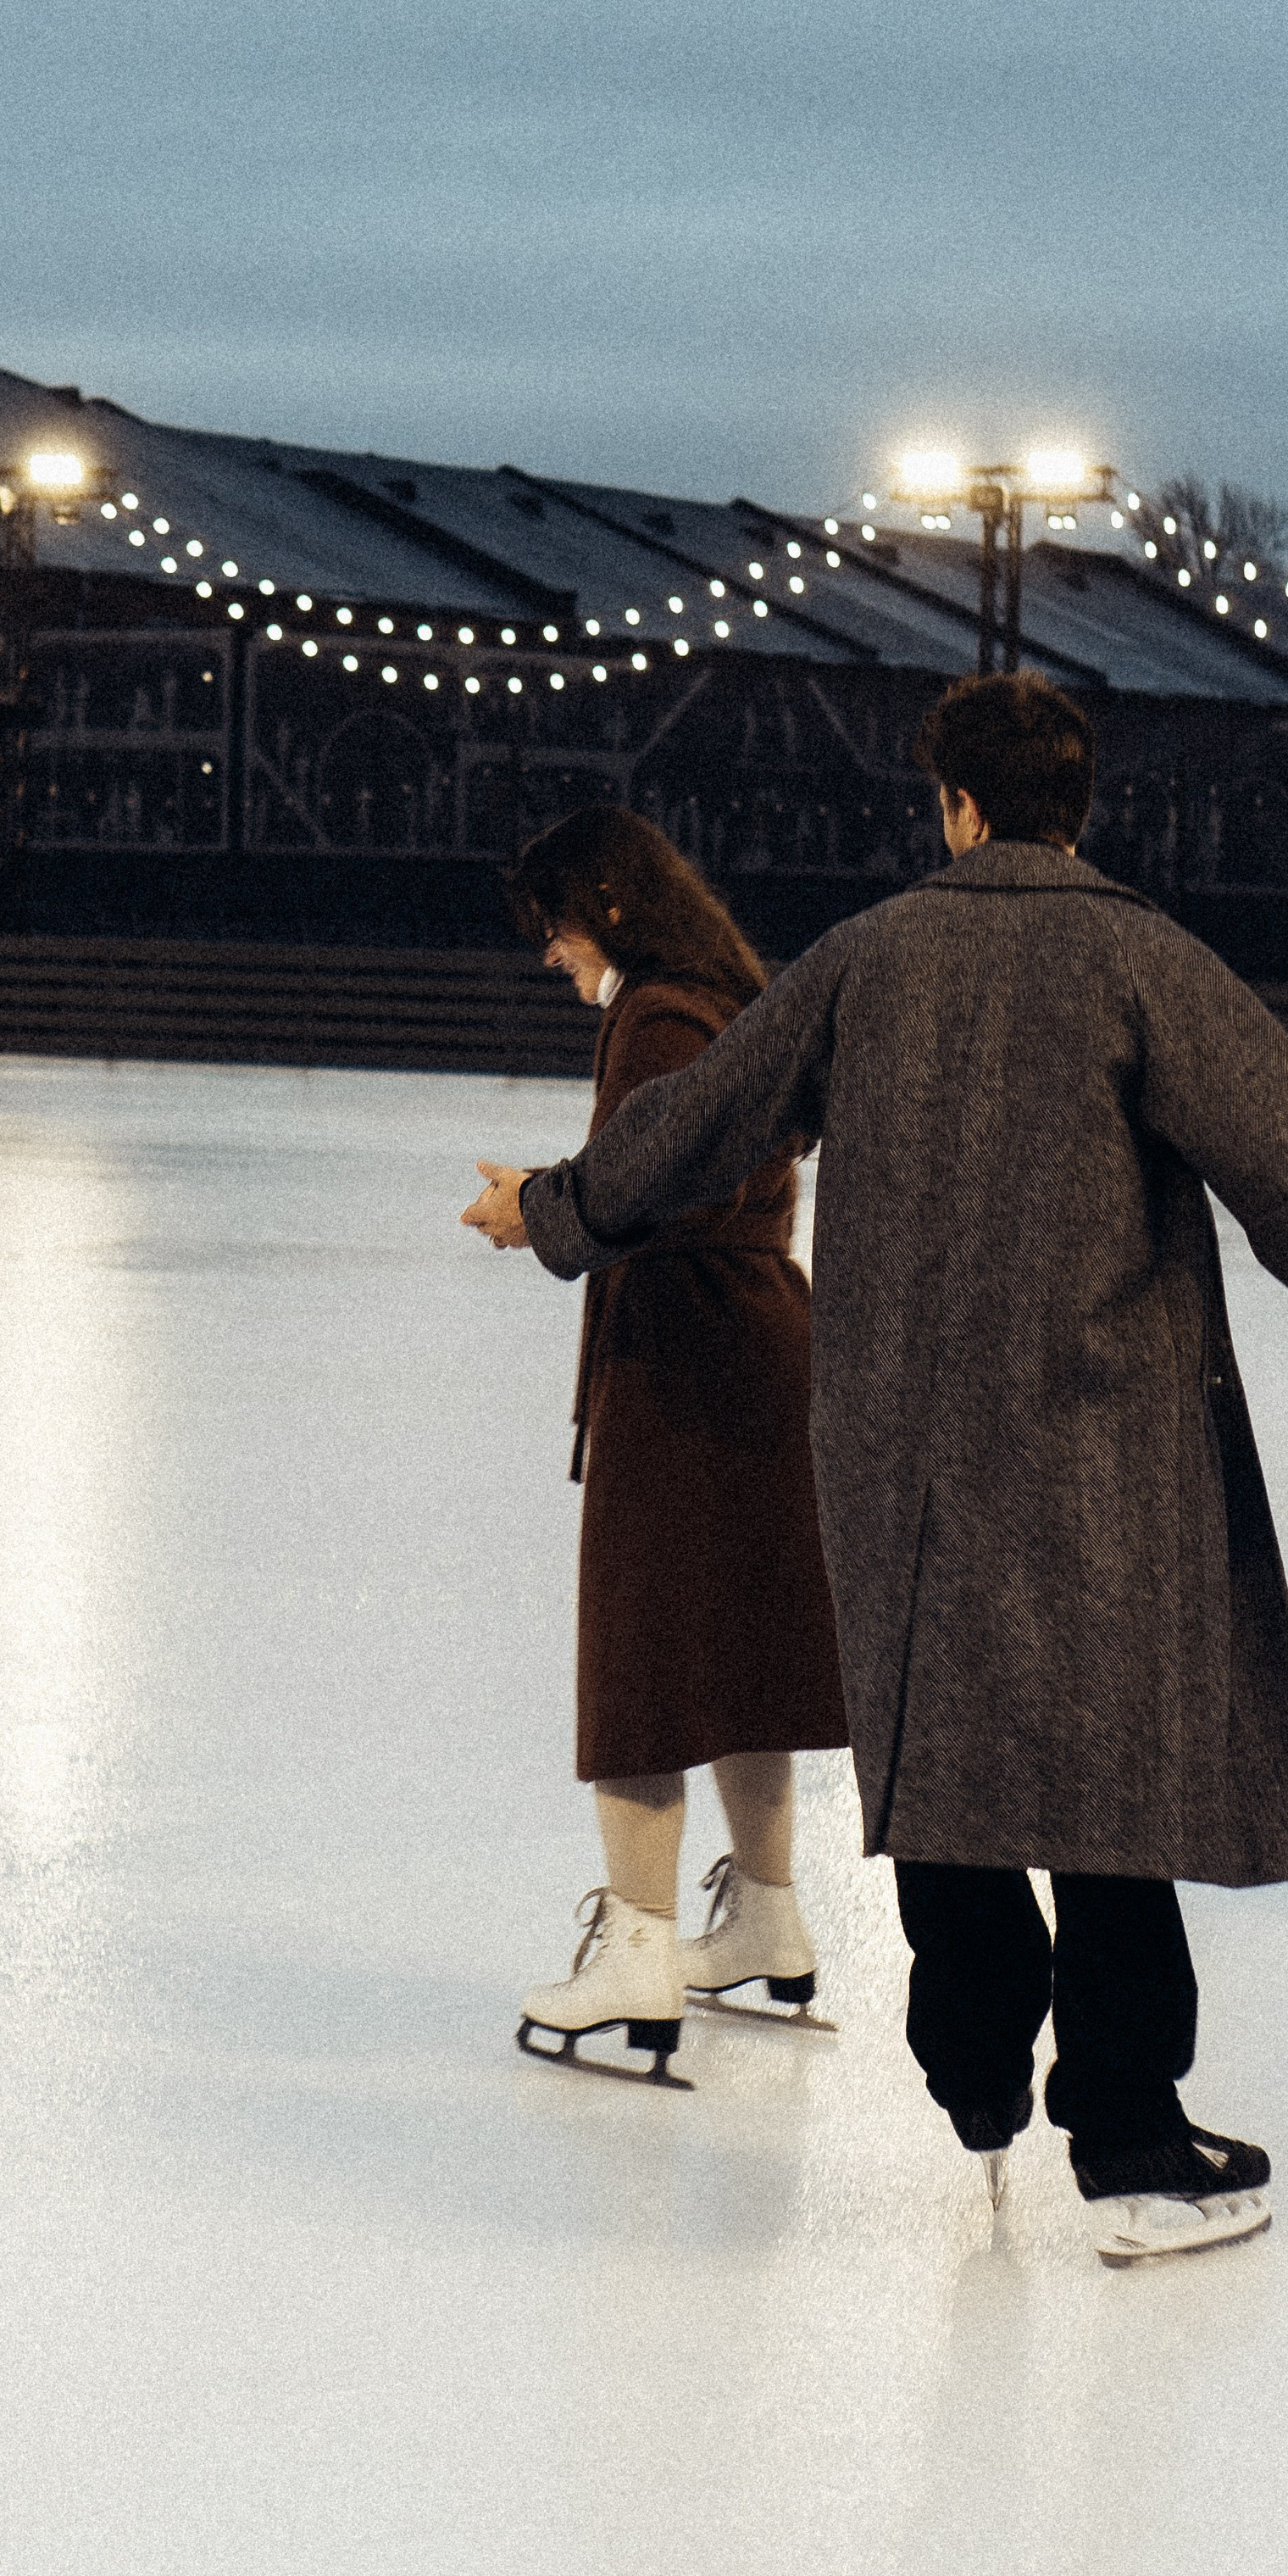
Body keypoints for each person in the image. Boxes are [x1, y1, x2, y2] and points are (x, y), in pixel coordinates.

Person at [466, 674, 1288, 2257]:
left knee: (943, 1771)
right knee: (1105, 1803)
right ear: (1074, 806)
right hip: (1099, 1452)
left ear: (952, 804)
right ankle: (1135, 2146)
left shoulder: (868, 960)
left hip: (901, 1453)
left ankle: (975, 2087)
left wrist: (548, 1207)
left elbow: (702, 1118)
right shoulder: (1141, 959)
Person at [463, 808, 850, 2084]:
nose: (549, 953)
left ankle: (640, 1941)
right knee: (741, 1645)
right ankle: (769, 1911)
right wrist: (564, 1190)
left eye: (555, 924)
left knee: (639, 1650)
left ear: (609, 909)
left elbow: (650, 1179)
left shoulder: (662, 1016)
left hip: (686, 1357)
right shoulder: (726, 999)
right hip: (751, 1342)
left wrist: (537, 1209)